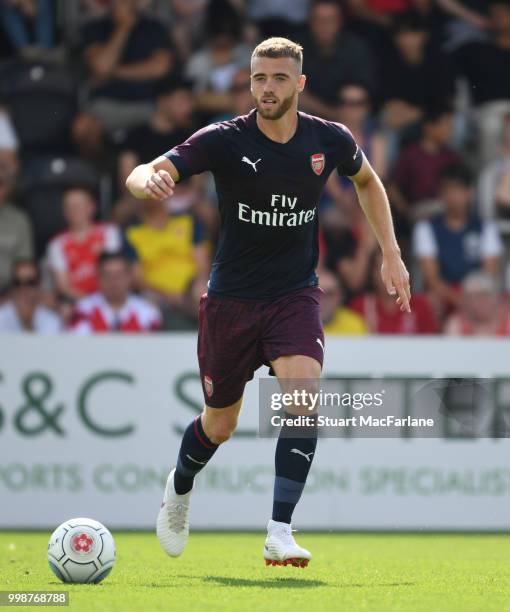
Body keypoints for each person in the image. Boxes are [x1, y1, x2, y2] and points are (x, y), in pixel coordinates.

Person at [126, 37, 410, 568]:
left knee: (304, 396)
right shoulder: (223, 139)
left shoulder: (330, 139)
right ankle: (180, 486)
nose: (267, 88)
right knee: (220, 425)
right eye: (259, 78)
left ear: (299, 84)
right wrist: (151, 178)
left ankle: (280, 530)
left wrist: (390, 253)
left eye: (278, 78)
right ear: (250, 82)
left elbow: (368, 182)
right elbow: (141, 173)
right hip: (231, 301)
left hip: (294, 295)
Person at [413, 162, 503, 310]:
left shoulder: (487, 228)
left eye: (458, 190)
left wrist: (472, 301)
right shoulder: (425, 228)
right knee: (430, 300)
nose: (453, 196)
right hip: (444, 297)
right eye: (448, 190)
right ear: (441, 194)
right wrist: (459, 301)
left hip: (477, 296)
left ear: (469, 193)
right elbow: (432, 280)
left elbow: (489, 276)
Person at [298, 0, 375, 119]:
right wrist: (329, 114)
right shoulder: (296, 48)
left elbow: (361, 92)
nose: (324, 25)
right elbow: (296, 94)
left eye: (330, 20)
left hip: (349, 115)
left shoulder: (355, 48)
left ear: (340, 22)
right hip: (307, 116)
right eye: (318, 19)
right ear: (310, 22)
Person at [46, 187, 121, 301]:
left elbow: (115, 273)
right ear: (64, 212)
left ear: (92, 207)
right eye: (70, 206)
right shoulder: (57, 244)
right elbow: (64, 287)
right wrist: (90, 304)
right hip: (76, 303)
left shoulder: (109, 232)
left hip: (111, 299)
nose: (75, 210)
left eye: (79, 205)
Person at [389, 107, 459, 220]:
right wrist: (406, 211)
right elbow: (393, 187)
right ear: (429, 128)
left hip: (447, 208)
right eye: (445, 125)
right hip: (419, 210)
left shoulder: (451, 157)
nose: (449, 130)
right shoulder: (410, 155)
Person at [71, 251, 161, 333]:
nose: (113, 281)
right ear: (98, 278)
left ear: (129, 277)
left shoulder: (148, 313)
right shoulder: (83, 310)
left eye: (119, 275)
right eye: (107, 275)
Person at [351, 251, 439, 333]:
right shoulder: (360, 306)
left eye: (394, 266)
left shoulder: (420, 306)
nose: (389, 273)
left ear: (405, 271)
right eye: (382, 267)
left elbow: (434, 344)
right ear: (373, 274)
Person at [0, 259, 61, 333]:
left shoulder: (51, 320)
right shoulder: (1, 317)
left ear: (39, 285)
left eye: (30, 283)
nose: (23, 288)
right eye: (17, 282)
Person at [444, 270, 510, 335]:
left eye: (484, 295)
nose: (479, 302)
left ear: (496, 297)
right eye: (472, 298)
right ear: (466, 301)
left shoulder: (508, 320)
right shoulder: (456, 324)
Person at [0, 167, 33, 292]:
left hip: (10, 292)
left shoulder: (19, 220)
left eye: (0, 183)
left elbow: (25, 265)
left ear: (7, 189)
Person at [319, 269, 367, 335]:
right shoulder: (300, 323)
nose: (324, 299)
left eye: (330, 294)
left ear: (340, 297)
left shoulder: (354, 325)